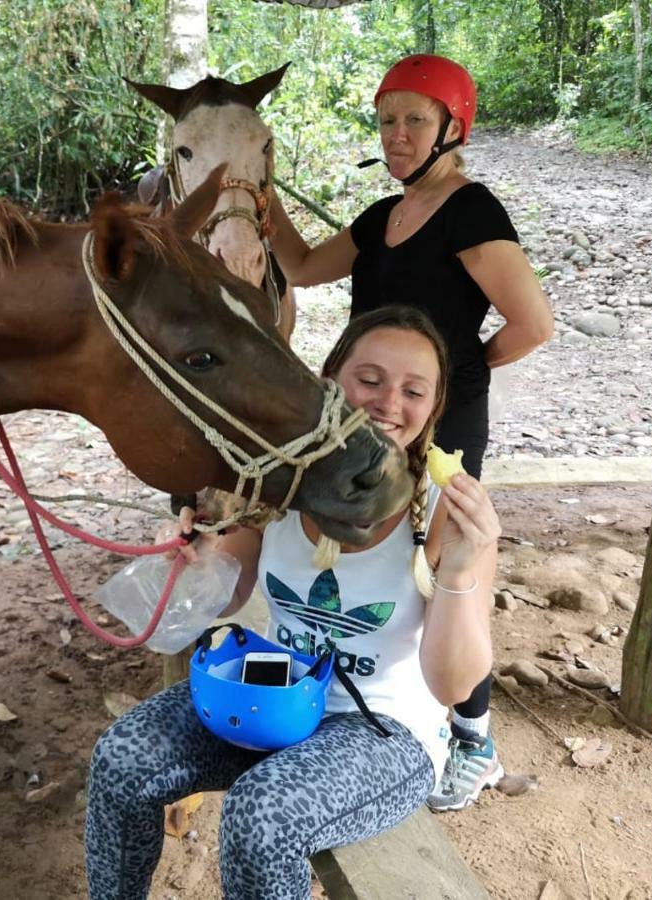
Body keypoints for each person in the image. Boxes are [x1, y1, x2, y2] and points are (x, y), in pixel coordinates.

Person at [84, 306, 500, 900]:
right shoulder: (285, 484)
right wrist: (194, 556)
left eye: (413, 390)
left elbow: (454, 687)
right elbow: (227, 592)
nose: (388, 402)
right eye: (370, 379)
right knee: (122, 758)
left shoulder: (448, 514)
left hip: (383, 732)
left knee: (262, 816)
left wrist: (459, 570)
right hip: (272, 701)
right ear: (329, 382)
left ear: (433, 409)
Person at [267, 53, 553, 812]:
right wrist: (250, 185)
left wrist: (459, 379)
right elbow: (296, 264)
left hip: (442, 423)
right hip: (368, 418)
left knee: (454, 568)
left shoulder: (472, 211)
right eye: (387, 119)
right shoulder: (381, 218)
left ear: (452, 129)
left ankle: (474, 738)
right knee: (373, 558)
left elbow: (534, 323)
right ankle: (373, 694)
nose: (396, 134)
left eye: (414, 120)